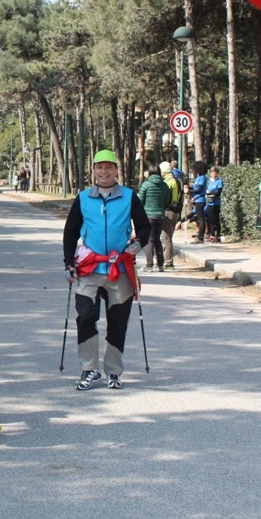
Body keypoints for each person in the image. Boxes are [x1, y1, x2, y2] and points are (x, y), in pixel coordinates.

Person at [62, 149, 150, 391]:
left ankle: (113, 371)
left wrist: (138, 243)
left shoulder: (129, 196)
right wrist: (68, 262)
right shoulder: (83, 198)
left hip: (119, 269)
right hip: (89, 268)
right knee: (85, 316)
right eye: (99, 167)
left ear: (116, 170)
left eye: (108, 167)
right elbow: (70, 232)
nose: (104, 171)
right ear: (93, 170)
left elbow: (144, 227)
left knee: (118, 321)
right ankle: (89, 369)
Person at [137, 165, 168, 273]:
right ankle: (160, 264)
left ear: (149, 173)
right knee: (157, 240)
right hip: (160, 215)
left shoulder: (146, 184)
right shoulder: (164, 185)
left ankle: (149, 265)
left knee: (149, 240)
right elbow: (166, 200)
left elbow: (141, 201)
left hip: (149, 215)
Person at [159, 161, 182, 269]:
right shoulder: (178, 180)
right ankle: (167, 261)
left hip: (169, 210)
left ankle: (168, 262)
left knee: (166, 237)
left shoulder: (167, 182)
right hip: (176, 210)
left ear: (163, 171)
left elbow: (165, 197)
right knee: (168, 236)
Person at [189, 160, 209, 243]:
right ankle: (200, 236)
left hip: (200, 199)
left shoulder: (202, 178)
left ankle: (201, 237)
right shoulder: (198, 178)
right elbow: (195, 189)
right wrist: (189, 188)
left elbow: (199, 190)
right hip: (197, 199)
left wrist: (189, 191)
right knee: (200, 218)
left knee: (201, 219)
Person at [205, 166, 224, 243]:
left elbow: (218, 193)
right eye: (212, 173)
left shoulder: (219, 181)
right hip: (209, 202)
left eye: (215, 173)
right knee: (210, 219)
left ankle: (218, 235)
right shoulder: (208, 182)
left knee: (216, 219)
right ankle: (212, 235)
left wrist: (210, 193)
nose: (214, 175)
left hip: (216, 203)